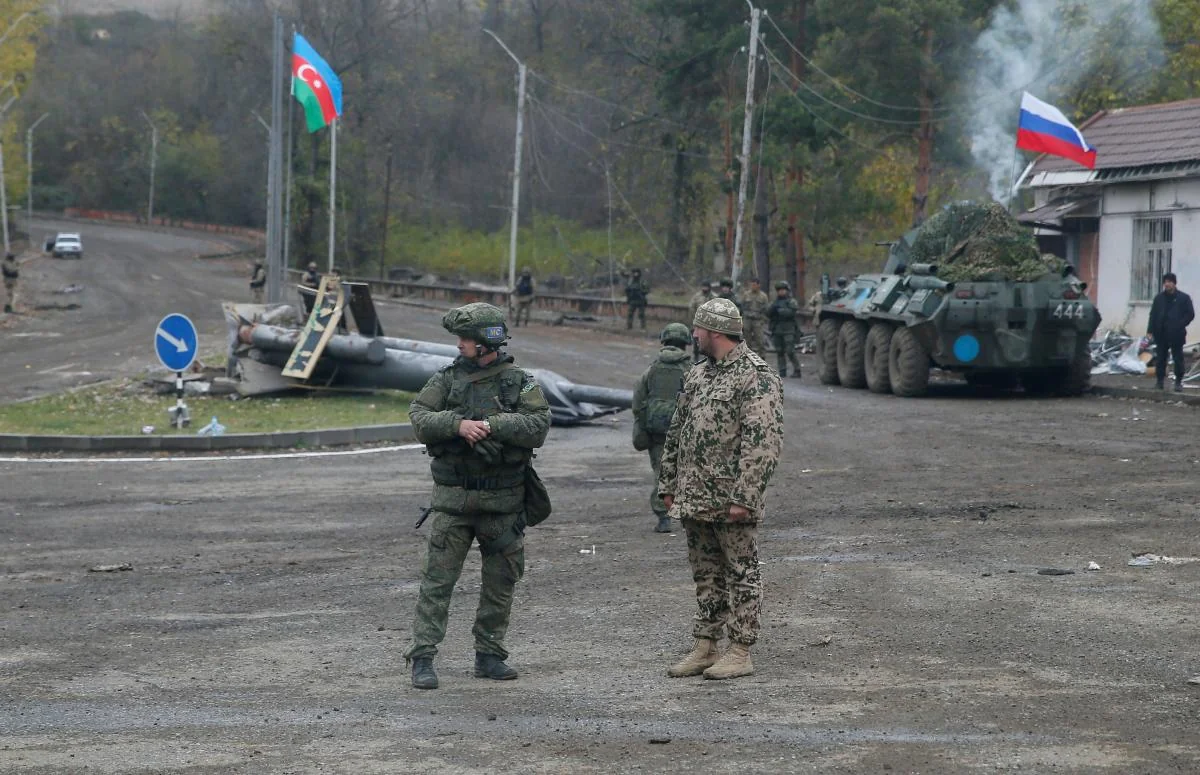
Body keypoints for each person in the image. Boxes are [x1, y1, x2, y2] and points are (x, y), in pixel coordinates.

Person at [404, 303, 552, 690]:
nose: (459, 345)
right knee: (437, 583)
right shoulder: (447, 379)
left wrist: (491, 425)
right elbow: (419, 416)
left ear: (488, 341)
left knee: (501, 583)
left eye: (466, 339)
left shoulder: (519, 381)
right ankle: (422, 657)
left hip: (503, 506)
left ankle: (489, 654)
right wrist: (458, 424)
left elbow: (538, 424)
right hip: (454, 502)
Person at [659, 298, 783, 680]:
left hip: (730, 499)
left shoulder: (755, 376)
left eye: (697, 329)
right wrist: (668, 482)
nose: (692, 335)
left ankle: (741, 650)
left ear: (714, 331)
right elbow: (677, 430)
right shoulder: (698, 374)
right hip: (695, 495)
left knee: (741, 572)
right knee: (706, 572)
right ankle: (706, 645)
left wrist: (745, 497)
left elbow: (763, 443)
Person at [632, 323, 693, 533]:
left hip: (657, 432)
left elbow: (638, 401)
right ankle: (693, 515)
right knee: (690, 471)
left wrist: (644, 425)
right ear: (686, 344)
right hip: (685, 431)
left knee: (661, 472)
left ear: (664, 341)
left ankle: (663, 518)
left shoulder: (652, 369)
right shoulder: (692, 369)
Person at [1148, 272, 1195, 392]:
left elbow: (1190, 314)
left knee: (1178, 358)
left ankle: (1178, 382)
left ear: (1174, 283)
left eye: (1169, 282)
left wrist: (1180, 324)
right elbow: (1153, 315)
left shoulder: (1183, 298)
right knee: (1161, 358)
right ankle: (1159, 382)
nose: (1167, 284)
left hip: (1176, 333)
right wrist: (1150, 330)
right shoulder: (1159, 298)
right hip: (1161, 333)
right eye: (1165, 282)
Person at [767, 281, 802, 378]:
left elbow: (792, 313)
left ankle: (797, 369)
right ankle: (782, 371)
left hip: (789, 330)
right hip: (777, 329)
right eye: (779, 290)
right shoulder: (774, 302)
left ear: (787, 291)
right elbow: (768, 313)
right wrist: (773, 309)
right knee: (779, 351)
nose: (781, 292)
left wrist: (781, 311)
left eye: (783, 290)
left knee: (790, 350)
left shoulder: (791, 301)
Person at [738, 277, 770, 359]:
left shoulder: (763, 296)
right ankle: (748, 357)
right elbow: (741, 307)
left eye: (755, 285)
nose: (753, 286)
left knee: (760, 340)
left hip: (758, 321)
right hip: (747, 320)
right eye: (752, 285)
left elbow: (766, 309)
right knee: (747, 340)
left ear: (759, 285)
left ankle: (762, 357)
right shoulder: (746, 295)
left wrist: (763, 320)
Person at [688, 281, 714, 360]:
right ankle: (696, 356)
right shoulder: (697, 296)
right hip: (699, 322)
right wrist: (694, 320)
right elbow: (691, 307)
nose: (704, 288)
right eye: (703, 286)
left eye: (706, 287)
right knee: (696, 340)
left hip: (709, 323)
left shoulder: (713, 297)